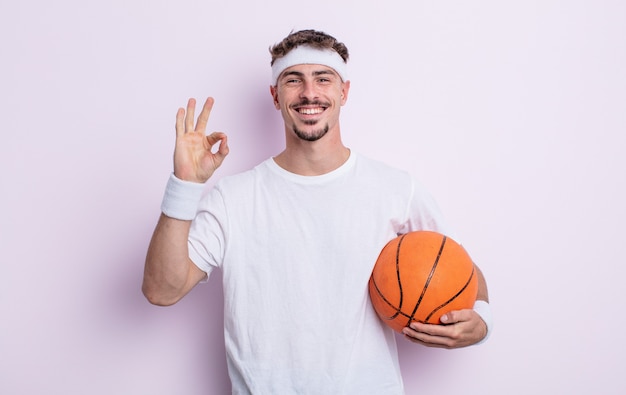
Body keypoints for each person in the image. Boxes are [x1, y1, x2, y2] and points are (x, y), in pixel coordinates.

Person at [143, 29, 492, 394]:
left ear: (344, 92)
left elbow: (462, 269)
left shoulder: (396, 189)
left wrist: (483, 322)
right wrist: (184, 184)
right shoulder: (234, 197)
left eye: (323, 79)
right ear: (275, 97)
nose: (309, 92)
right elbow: (161, 291)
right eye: (294, 80)